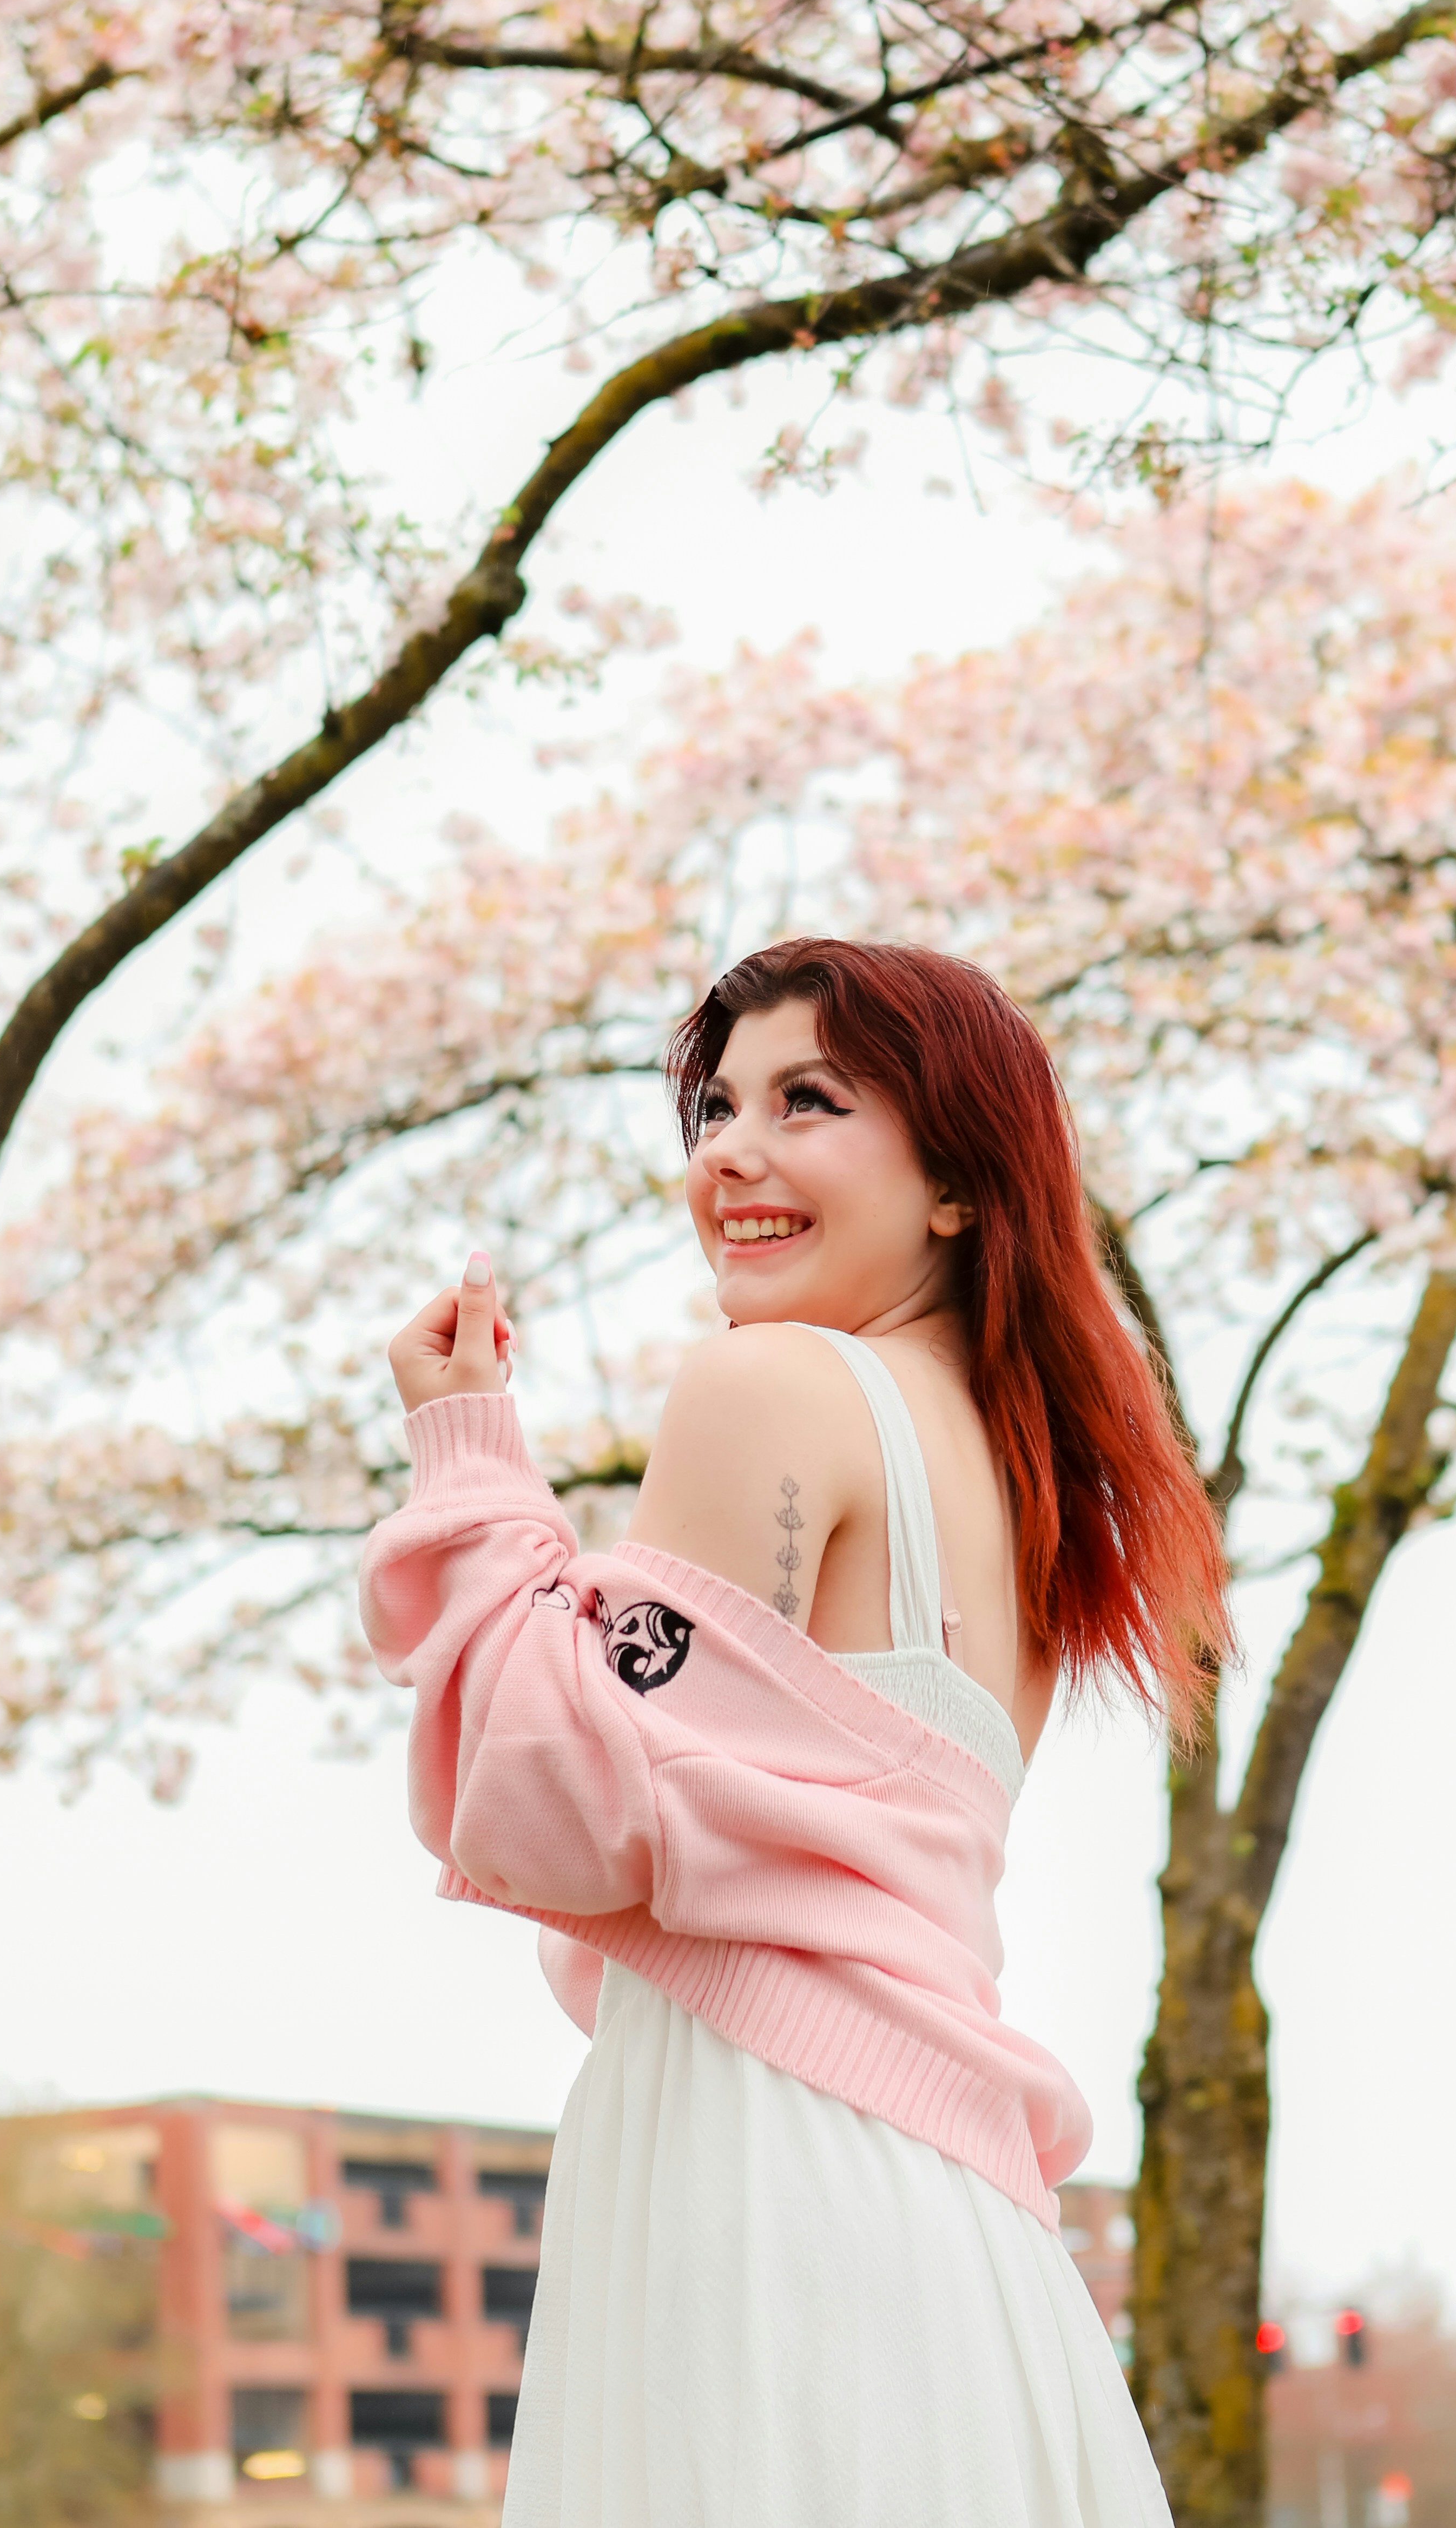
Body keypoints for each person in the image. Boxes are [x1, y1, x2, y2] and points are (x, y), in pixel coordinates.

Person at [361, 936, 1231, 2526]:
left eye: (808, 1101)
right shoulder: (1035, 1512)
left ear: (961, 1183)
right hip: (968, 2226)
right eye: (715, 1110)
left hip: (769, 2176)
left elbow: (557, 1800)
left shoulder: (771, 1389)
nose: (730, 1157)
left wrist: (469, 1460)